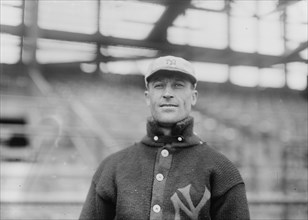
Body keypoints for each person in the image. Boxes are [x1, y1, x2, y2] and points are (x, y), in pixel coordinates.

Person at [79, 55, 250, 220]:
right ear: (148, 97)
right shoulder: (112, 167)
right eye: (159, 86)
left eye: (178, 85)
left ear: (194, 97)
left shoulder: (222, 170)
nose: (168, 93)